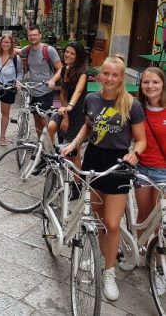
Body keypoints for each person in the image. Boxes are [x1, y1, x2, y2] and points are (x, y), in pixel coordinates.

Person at [62, 56, 146, 301]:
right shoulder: (91, 98)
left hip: (118, 163)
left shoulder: (132, 104)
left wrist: (134, 153)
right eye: (106, 74)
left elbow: (140, 139)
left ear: (122, 78)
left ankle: (109, 272)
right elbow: (88, 127)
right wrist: (74, 144)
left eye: (115, 75)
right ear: (99, 76)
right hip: (94, 160)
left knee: (111, 223)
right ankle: (95, 257)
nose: (109, 79)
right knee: (97, 220)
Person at [47, 42, 88, 199]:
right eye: (66, 52)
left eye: (72, 53)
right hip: (65, 110)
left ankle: (77, 185)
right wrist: (65, 114)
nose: (67, 55)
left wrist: (69, 108)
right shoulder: (64, 69)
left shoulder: (83, 73)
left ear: (78, 57)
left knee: (74, 153)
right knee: (50, 126)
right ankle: (52, 156)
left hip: (77, 111)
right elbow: (62, 93)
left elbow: (77, 92)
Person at [131, 68, 166, 245]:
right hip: (142, 169)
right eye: (146, 82)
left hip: (164, 171)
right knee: (144, 214)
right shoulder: (136, 107)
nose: (150, 86)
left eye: (155, 82)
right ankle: (141, 250)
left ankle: (158, 258)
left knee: (161, 218)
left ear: (163, 84)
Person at [17, 25, 62, 136]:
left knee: (44, 119)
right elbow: (16, 51)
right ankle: (40, 144)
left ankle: (49, 145)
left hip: (46, 91)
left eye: (35, 35)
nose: (32, 37)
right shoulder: (27, 49)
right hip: (33, 91)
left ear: (40, 35)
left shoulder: (49, 50)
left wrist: (52, 81)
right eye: (30, 35)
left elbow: (61, 69)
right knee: (36, 118)